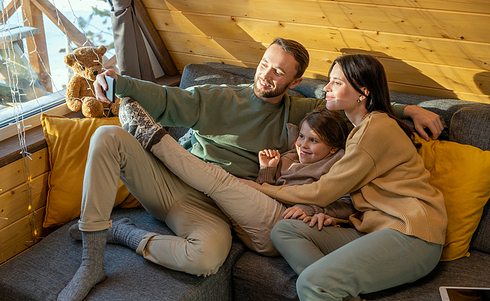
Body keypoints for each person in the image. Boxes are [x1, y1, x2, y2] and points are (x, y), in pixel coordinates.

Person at [58, 38, 443, 301]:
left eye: (279, 73)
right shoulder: (217, 97)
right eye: (264, 65)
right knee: (107, 136)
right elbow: (167, 98)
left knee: (207, 259)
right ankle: (92, 261)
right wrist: (117, 82)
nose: (266, 75)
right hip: (169, 185)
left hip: (216, 208)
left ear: (294, 83)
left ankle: (124, 233)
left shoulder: (310, 114)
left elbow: (355, 111)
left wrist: (408, 108)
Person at [257, 54, 448, 301]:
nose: (327, 88)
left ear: (363, 92)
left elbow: (323, 192)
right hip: (374, 228)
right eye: (329, 81)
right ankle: (333, 287)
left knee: (313, 284)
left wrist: (260, 186)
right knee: (285, 230)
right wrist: (336, 218)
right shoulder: (361, 127)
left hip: (412, 233)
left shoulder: (375, 129)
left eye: (336, 82)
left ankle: (323, 286)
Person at [118, 103, 357, 255]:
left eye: (313, 141)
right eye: (302, 136)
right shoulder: (289, 156)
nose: (303, 145)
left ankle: (155, 140)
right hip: (255, 224)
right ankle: (151, 159)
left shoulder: (338, 162)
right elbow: (266, 191)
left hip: (283, 227)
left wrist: (309, 208)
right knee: (217, 193)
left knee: (221, 181)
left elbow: (347, 204)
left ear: (334, 148)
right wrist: (267, 170)